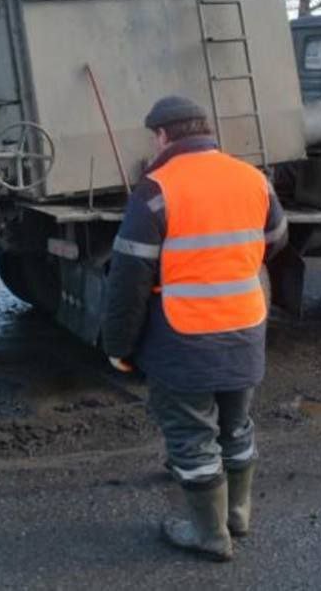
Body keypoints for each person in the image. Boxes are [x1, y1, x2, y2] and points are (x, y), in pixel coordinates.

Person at [100, 95, 287, 561]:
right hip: (246, 327)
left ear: (163, 136)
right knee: (236, 425)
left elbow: (128, 281)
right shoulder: (254, 179)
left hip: (183, 338)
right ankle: (237, 515)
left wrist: (118, 347)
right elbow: (276, 240)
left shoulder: (156, 190)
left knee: (191, 436)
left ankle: (210, 535)